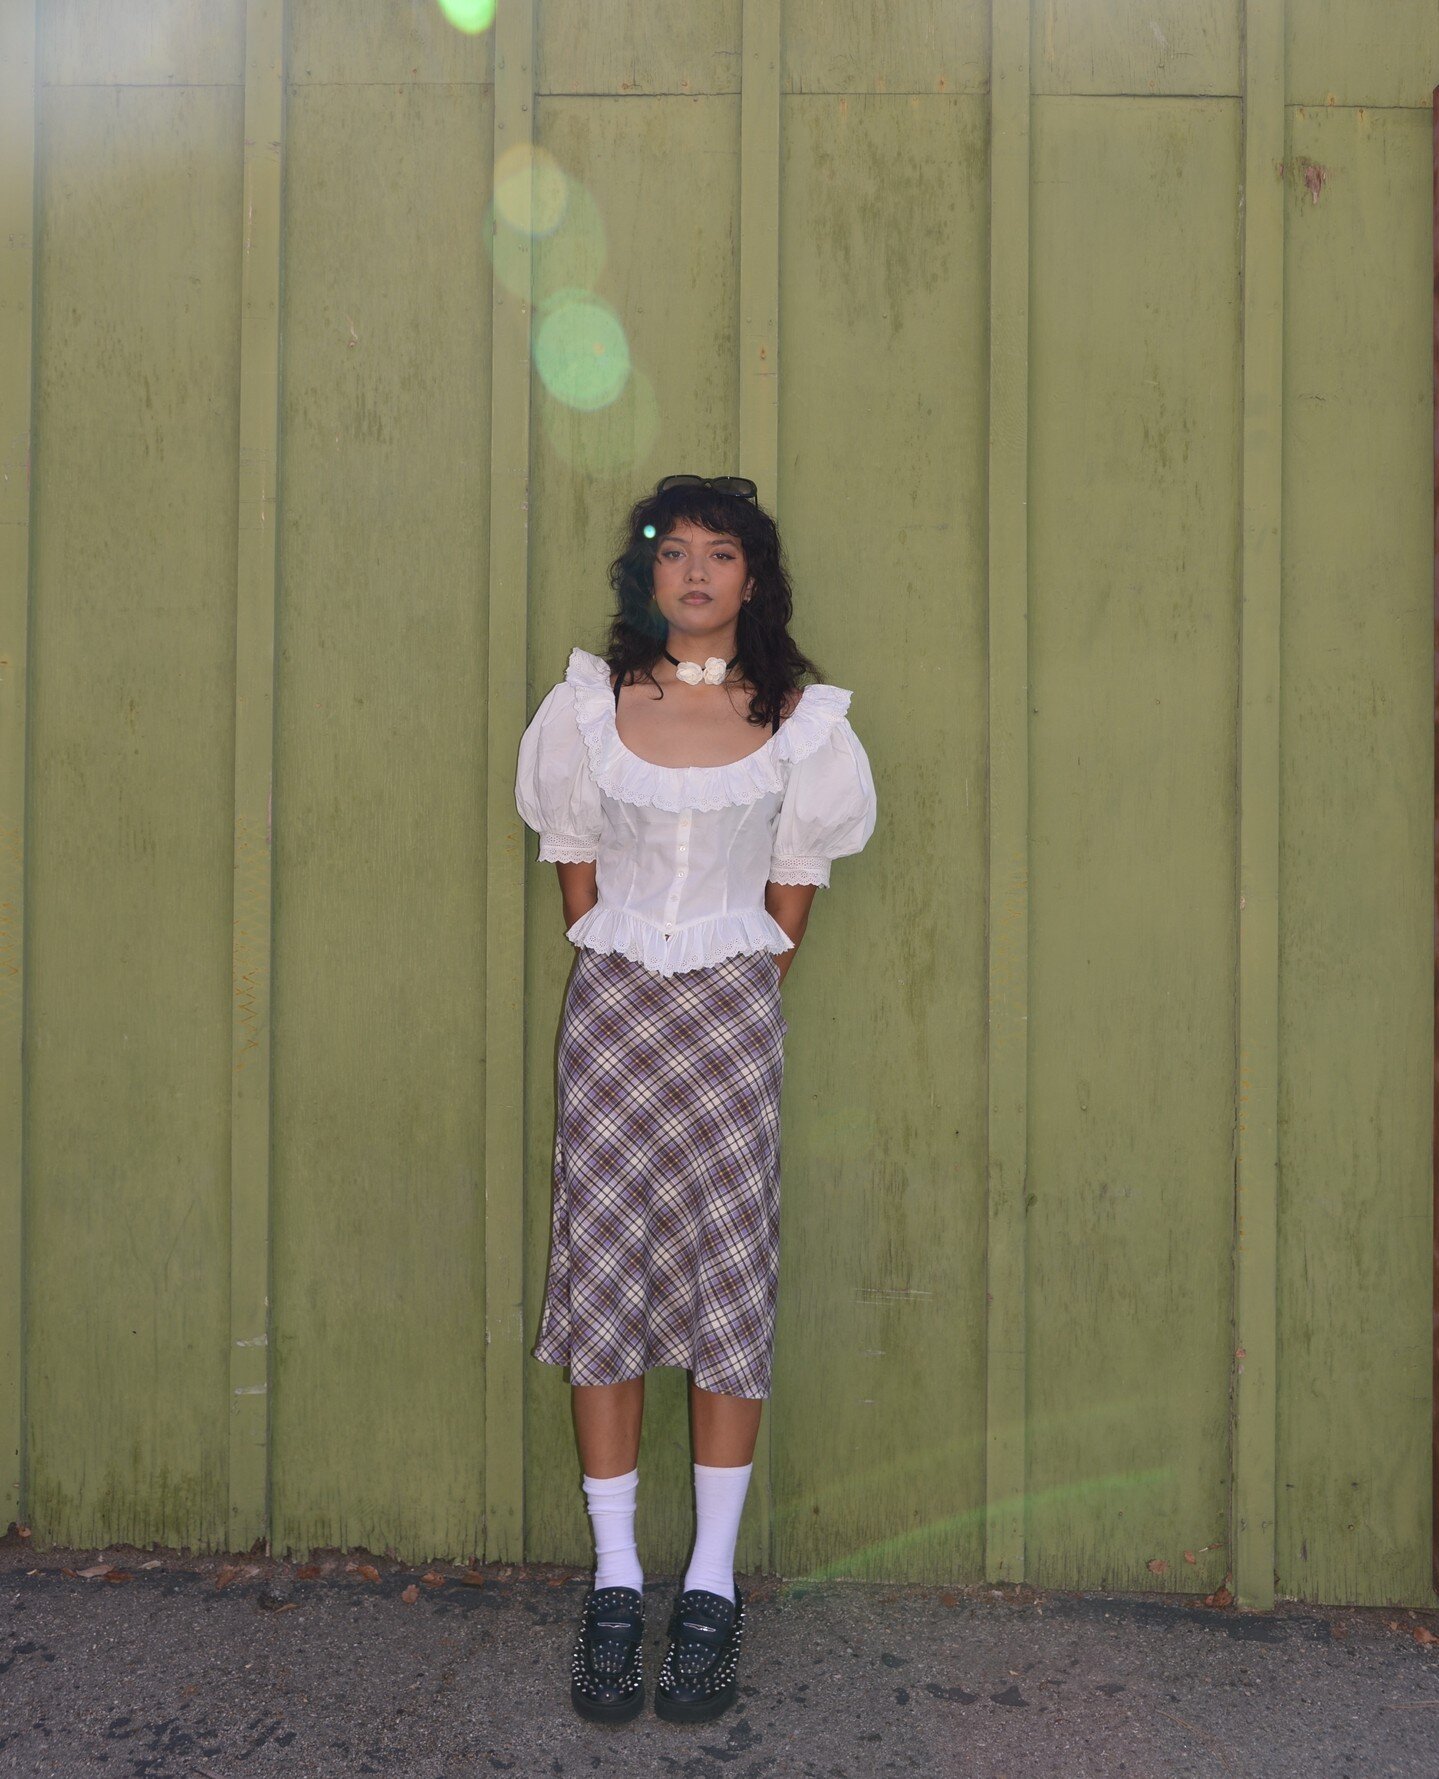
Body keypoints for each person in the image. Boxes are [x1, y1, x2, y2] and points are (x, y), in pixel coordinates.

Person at [513, 472, 878, 1726]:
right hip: (612, 1015)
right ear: (647, 575)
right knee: (602, 1265)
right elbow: (574, 866)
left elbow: (792, 891)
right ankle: (616, 1578)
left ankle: (709, 1588)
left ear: (752, 580)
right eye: (674, 553)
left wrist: (727, 969)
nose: (696, 573)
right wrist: (623, 946)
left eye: (721, 554)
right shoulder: (587, 708)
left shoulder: (802, 725)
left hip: (731, 1018)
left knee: (728, 1271)